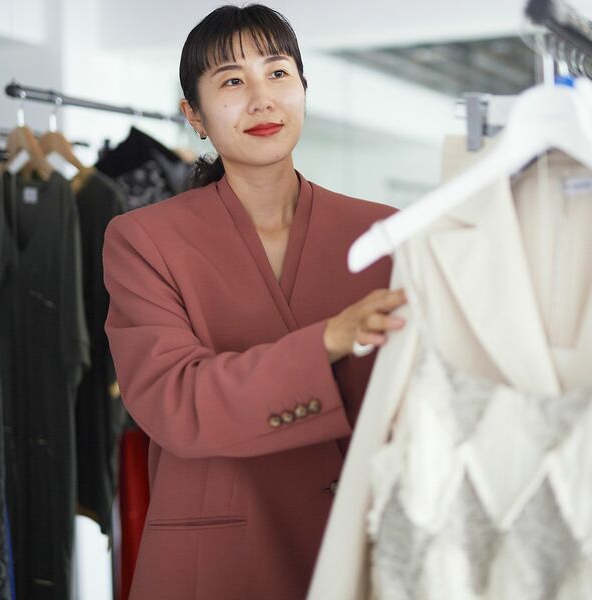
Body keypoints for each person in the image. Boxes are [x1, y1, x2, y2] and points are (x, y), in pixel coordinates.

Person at [103, 4, 406, 599]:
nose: (262, 100)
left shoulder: (385, 234)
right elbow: (175, 399)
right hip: (218, 562)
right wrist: (329, 341)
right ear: (193, 115)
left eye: (278, 73)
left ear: (303, 89)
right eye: (232, 81)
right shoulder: (143, 240)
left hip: (359, 548)